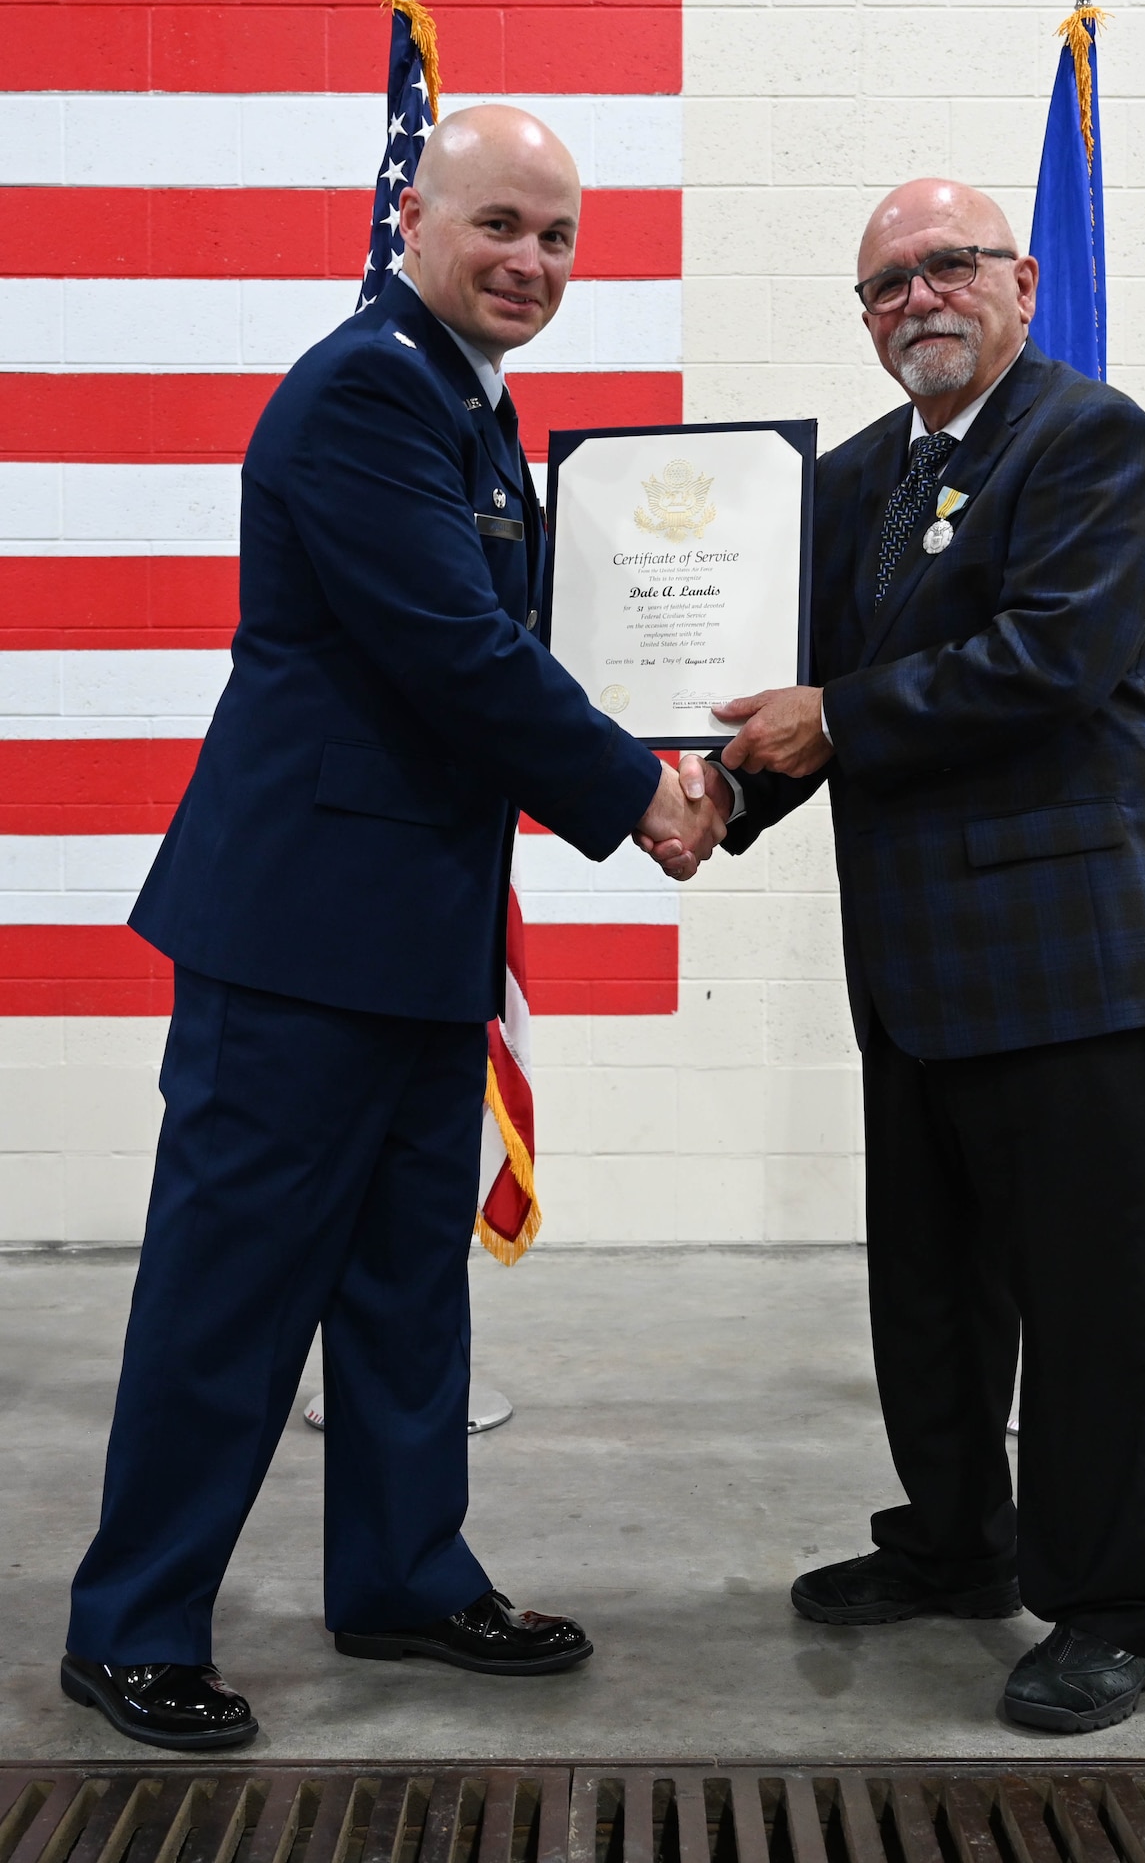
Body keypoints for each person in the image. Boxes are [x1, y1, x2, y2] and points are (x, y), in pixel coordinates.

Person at [62, 104, 724, 1753]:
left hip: (414, 922)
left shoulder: (470, 407)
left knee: (407, 1287)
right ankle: (133, 1623)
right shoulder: (370, 388)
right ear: (412, 214)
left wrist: (694, 720)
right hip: (300, 930)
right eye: (499, 223)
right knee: (231, 1292)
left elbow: (527, 632)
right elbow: (452, 647)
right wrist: (637, 790)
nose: (530, 262)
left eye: (560, 237)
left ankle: (404, 1578)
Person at [648, 177, 1145, 1734]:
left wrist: (825, 719)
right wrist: (707, 793)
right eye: (884, 284)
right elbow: (802, 688)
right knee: (930, 1287)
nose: (915, 300)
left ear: (1020, 281)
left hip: (1060, 955)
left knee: (1084, 1299)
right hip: (910, 958)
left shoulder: (1087, 436)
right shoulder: (853, 482)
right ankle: (957, 1543)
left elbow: (1050, 659)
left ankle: (1112, 1607)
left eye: (944, 267)